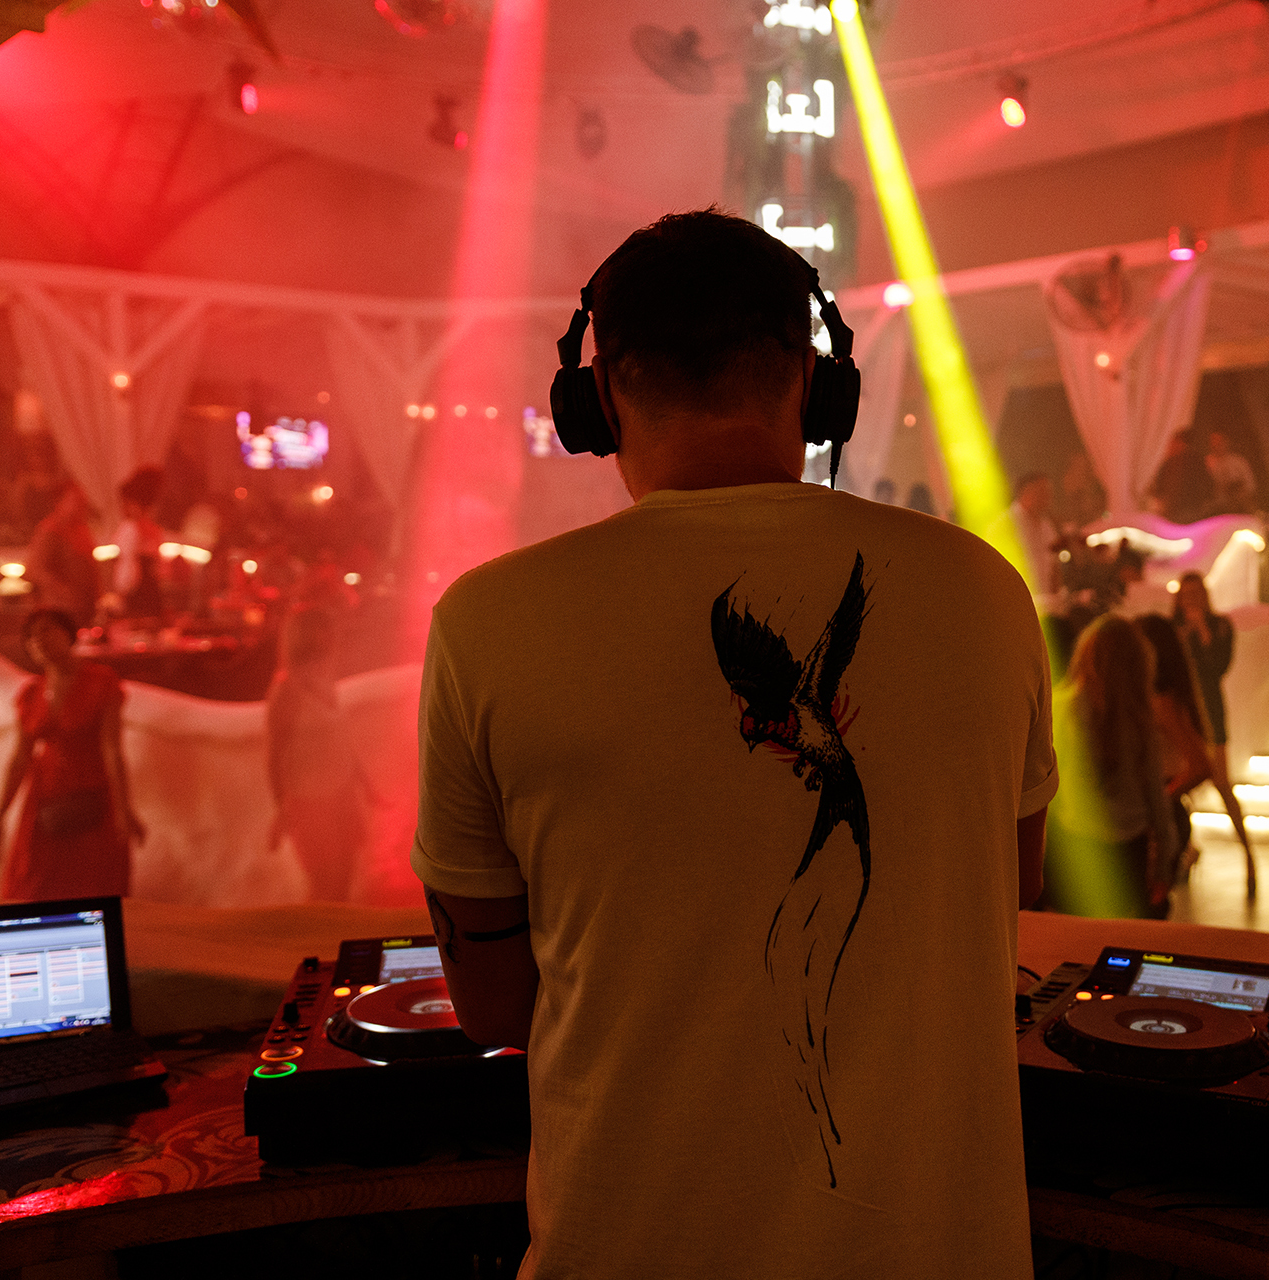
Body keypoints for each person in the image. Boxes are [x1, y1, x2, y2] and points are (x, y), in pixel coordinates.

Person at [410, 211, 1055, 1279]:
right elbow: (1011, 880)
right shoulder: (986, 591)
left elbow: (494, 1005)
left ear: (598, 396)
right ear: (814, 381)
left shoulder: (486, 622)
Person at [0, 609, 144, 899]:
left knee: (92, 883)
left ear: (68, 634)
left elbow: (112, 749)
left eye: (47, 630)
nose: (39, 640)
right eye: (31, 636)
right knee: (32, 886)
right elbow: (20, 758)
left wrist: (124, 808)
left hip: (93, 791)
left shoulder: (100, 681)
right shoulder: (31, 693)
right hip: (43, 797)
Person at [1049, 615, 1179, 918]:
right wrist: (1163, 868)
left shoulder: (1061, 708)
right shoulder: (1141, 719)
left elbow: (1048, 790)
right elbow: (1157, 801)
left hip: (1076, 845)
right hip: (1129, 850)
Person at [1138, 613, 1257, 896]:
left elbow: (1201, 766)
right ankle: (1246, 858)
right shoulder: (1165, 695)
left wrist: (1161, 800)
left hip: (1162, 810)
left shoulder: (1162, 701)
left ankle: (1248, 859)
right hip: (1164, 809)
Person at [267, 605, 366, 902]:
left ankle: (336, 932)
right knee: (325, 884)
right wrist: (281, 808)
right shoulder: (287, 692)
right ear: (307, 637)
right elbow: (274, 757)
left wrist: (366, 787)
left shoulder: (326, 682)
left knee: (345, 878)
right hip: (309, 801)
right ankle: (316, 933)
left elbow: (341, 743)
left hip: (342, 794)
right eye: (326, 629)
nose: (335, 636)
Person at [1172, 572, 1233, 783]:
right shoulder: (1172, 627)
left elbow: (1220, 667)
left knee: (1221, 777)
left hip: (1210, 704)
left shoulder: (1221, 626)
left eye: (1196, 594)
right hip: (1181, 706)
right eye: (1187, 595)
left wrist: (1203, 630)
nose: (1191, 600)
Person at [25, 482, 101, 624]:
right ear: (59, 502)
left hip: (85, 608)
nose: (80, 504)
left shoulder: (82, 530)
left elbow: (91, 567)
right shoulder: (49, 531)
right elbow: (35, 569)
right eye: (74, 500)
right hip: (59, 610)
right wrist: (62, 591)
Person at [992, 471, 1063, 601]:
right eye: (1043, 492)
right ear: (1027, 492)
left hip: (1046, 601)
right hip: (1018, 600)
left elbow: (1054, 564)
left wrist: (1056, 596)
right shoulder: (1006, 525)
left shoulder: (1046, 525)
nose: (1048, 497)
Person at [111, 466, 166, 621]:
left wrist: (120, 595)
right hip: (151, 595)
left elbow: (127, 572)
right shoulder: (154, 530)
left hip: (136, 598)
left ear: (134, 503)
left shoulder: (129, 529)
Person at [1150, 429, 1213, 525]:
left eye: (1175, 442)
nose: (1172, 445)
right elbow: (1208, 485)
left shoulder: (1173, 463)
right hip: (1192, 509)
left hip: (1178, 510)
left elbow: (1160, 485)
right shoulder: (1197, 461)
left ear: (1182, 443)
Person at [1204, 430, 1257, 514]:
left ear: (1226, 442)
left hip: (1241, 503)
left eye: (1220, 441)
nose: (1217, 445)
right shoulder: (1207, 463)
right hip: (1219, 506)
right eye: (1214, 442)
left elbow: (1250, 485)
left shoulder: (1238, 461)